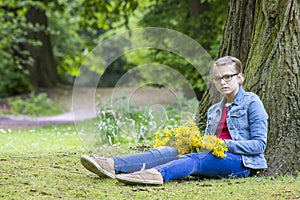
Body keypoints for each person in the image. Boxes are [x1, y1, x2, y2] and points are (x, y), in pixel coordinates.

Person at [80, 56, 269, 185]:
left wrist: (222, 144)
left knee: (195, 159)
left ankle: (154, 175)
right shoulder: (214, 110)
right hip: (213, 155)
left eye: (228, 77)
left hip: (242, 163)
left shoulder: (252, 102)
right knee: (169, 150)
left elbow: (259, 145)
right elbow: (206, 142)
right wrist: (192, 140)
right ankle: (112, 165)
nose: (223, 82)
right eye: (217, 79)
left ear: (240, 78)